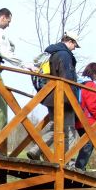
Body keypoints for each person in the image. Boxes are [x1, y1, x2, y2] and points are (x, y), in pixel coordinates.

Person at [0, 8, 36, 149]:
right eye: (9, 21)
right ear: (3, 17)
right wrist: (26, 65)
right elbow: (5, 53)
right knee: (1, 111)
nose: (9, 25)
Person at [27, 31, 80, 162]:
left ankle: (36, 150)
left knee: (55, 126)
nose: (75, 49)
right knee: (69, 130)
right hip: (64, 98)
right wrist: (74, 101)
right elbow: (67, 78)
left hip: (50, 97)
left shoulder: (52, 53)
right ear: (70, 41)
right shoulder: (65, 55)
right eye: (75, 45)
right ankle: (68, 161)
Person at [75, 62, 96, 171]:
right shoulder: (90, 84)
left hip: (80, 119)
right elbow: (92, 104)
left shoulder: (81, 83)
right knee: (88, 144)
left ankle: (80, 167)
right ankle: (80, 168)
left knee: (86, 143)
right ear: (93, 73)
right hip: (89, 119)